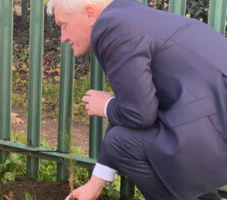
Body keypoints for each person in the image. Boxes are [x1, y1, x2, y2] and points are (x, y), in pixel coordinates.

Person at [46, 0, 227, 199]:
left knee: (120, 143)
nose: (63, 38)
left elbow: (139, 114)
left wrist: (106, 105)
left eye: (64, 25)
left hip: (208, 130)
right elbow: (132, 110)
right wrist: (93, 186)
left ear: (90, 14)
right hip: (209, 127)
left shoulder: (113, 29)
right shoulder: (128, 16)